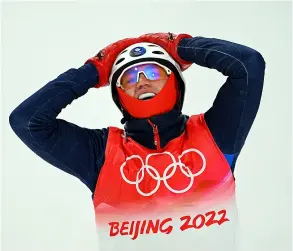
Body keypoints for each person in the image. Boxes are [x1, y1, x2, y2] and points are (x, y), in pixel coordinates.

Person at [9, 32, 266, 251]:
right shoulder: (101, 153)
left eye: (152, 71)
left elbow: (249, 64)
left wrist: (181, 46)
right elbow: (27, 120)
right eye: (129, 78)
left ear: (176, 83)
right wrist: (94, 69)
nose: (141, 81)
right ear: (119, 97)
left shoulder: (215, 134)